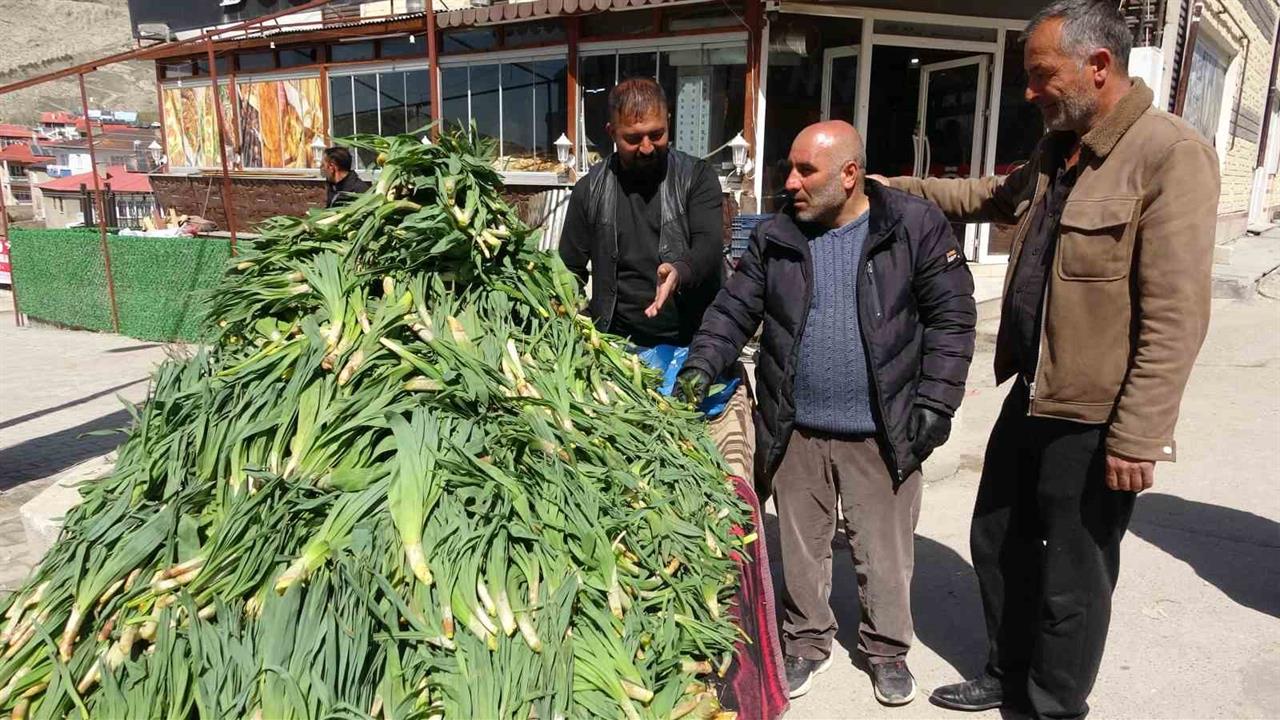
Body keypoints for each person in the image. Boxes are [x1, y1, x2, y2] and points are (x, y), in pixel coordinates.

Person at [873, 2, 1219, 717]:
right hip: (1032, 389)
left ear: (1099, 67)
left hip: (1095, 412)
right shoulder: (1060, 146)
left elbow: (1176, 314)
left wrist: (1138, 435)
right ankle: (1009, 672)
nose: (1029, 91)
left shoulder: (1169, 154)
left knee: (1073, 573)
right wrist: (887, 189)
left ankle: (1055, 705)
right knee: (997, 537)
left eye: (1041, 74)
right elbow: (987, 197)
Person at [677, 120, 976, 705]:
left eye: (805, 170)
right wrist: (700, 366)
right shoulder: (776, 236)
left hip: (881, 430)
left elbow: (953, 318)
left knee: (884, 555)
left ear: (849, 174)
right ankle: (807, 640)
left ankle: (886, 649)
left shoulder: (912, 226)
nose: (790, 182)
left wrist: (936, 403)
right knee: (801, 549)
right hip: (796, 429)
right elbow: (732, 311)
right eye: (789, 168)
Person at [558, 78, 756, 480]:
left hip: (692, 346)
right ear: (611, 132)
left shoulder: (696, 177)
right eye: (633, 138)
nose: (647, 147)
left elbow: (707, 246)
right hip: (618, 353)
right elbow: (567, 271)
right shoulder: (589, 190)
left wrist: (679, 270)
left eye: (657, 134)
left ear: (669, 122)